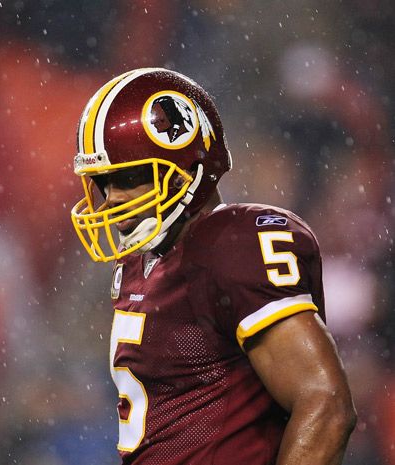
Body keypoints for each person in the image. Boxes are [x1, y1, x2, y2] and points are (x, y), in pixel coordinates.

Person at [69, 68, 356, 465]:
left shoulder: (234, 244)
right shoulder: (142, 262)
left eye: (130, 177)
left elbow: (326, 405)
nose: (113, 198)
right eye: (104, 182)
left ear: (189, 167)